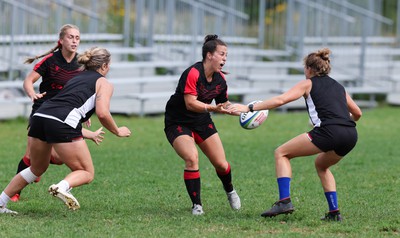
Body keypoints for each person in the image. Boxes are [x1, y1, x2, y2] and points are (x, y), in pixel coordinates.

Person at [234, 48, 362, 221]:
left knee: (281, 153)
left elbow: (281, 100)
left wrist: (248, 108)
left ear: (309, 69)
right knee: (322, 165)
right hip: (350, 135)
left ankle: (284, 201)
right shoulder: (339, 86)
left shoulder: (308, 83)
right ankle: (334, 213)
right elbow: (358, 113)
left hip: (329, 131)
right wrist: (342, 120)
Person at [0, 46, 131, 214]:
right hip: (61, 121)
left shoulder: (77, 77)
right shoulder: (104, 83)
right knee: (86, 172)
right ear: (105, 66)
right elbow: (103, 113)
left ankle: (1, 202)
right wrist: (118, 131)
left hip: (40, 116)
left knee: (36, 168)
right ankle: (61, 187)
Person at [10, 24, 104, 202]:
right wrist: (32, 94)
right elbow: (28, 81)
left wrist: (86, 115)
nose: (75, 41)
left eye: (77, 37)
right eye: (70, 37)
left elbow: (85, 89)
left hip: (65, 114)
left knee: (59, 158)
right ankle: (14, 193)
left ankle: (44, 167)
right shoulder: (51, 61)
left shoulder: (81, 64)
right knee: (30, 156)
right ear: (61, 40)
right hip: (42, 111)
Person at [164, 34, 247, 215]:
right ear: (209, 55)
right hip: (177, 121)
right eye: (222, 54)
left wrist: (245, 111)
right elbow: (190, 103)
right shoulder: (193, 73)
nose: (225, 59)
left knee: (222, 164)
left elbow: (223, 104)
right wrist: (213, 109)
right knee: (192, 158)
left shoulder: (221, 80)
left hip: (201, 120)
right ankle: (197, 206)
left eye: (226, 55)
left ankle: (230, 191)